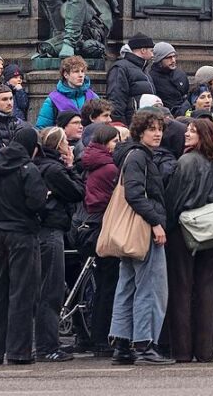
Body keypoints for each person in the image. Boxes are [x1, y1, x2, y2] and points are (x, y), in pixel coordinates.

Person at [0, 126, 47, 366]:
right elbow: (36, 202)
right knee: (22, 292)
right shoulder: (28, 169)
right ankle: (19, 351)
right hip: (22, 233)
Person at [163, 119, 213, 363]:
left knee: (181, 288)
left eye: (193, 130)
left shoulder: (186, 162)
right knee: (206, 288)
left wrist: (167, 226)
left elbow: (174, 199)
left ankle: (181, 349)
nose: (187, 133)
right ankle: (205, 349)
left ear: (204, 135)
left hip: (185, 230)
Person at [109, 111, 173, 366]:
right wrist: (156, 223)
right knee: (150, 288)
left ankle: (123, 345)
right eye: (151, 129)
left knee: (127, 286)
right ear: (140, 132)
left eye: (159, 129)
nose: (157, 133)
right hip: (143, 230)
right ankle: (145, 344)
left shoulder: (132, 155)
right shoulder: (139, 157)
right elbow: (135, 194)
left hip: (131, 232)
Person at [32, 127, 85, 362]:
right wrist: (71, 166)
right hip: (51, 230)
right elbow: (77, 191)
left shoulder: (41, 165)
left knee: (46, 289)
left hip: (44, 230)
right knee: (50, 290)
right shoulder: (54, 169)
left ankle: (46, 343)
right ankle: (47, 345)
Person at [82, 123, 121, 357]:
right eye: (115, 141)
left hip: (94, 222)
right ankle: (102, 337)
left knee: (103, 285)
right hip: (104, 223)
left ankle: (97, 335)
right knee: (109, 285)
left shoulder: (93, 162)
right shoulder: (109, 167)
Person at [36, 56, 99, 129]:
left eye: (82, 71)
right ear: (66, 74)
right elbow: (42, 128)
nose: (81, 75)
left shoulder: (93, 97)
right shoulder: (53, 99)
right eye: (76, 71)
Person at [106, 34, 156, 125]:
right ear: (143, 50)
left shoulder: (144, 69)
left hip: (143, 124)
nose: (153, 55)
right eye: (151, 51)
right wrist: (120, 126)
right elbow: (116, 100)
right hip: (130, 124)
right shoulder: (120, 67)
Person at [149, 43, 190, 116]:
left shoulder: (181, 74)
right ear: (159, 60)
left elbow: (186, 95)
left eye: (174, 56)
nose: (173, 60)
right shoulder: (151, 78)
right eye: (169, 57)